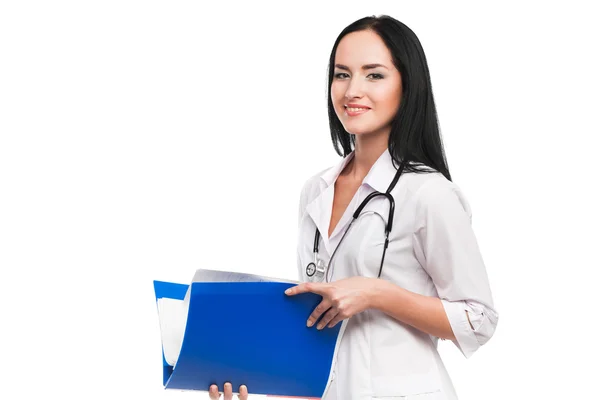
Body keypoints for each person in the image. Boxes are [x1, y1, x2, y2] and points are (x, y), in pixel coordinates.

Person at [209, 15, 498, 400]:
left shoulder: (429, 194)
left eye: (374, 75)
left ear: (407, 86)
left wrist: (378, 293)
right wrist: (257, 377)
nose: (352, 90)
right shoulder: (316, 190)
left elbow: (479, 319)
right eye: (341, 74)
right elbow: (316, 324)